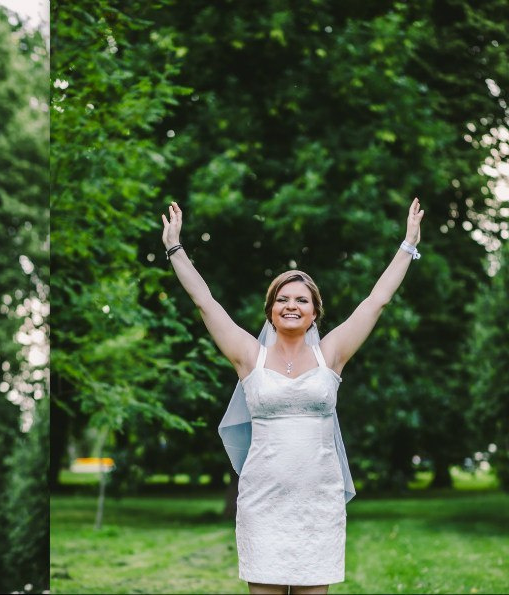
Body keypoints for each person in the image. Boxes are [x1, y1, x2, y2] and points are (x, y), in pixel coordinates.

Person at [162, 199, 424, 595]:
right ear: (270, 312)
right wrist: (174, 248)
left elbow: (376, 302)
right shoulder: (250, 356)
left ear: (314, 312)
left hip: (318, 499)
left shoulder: (331, 354)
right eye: (282, 300)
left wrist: (407, 245)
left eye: (301, 300)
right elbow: (206, 302)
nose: (291, 306)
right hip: (262, 499)